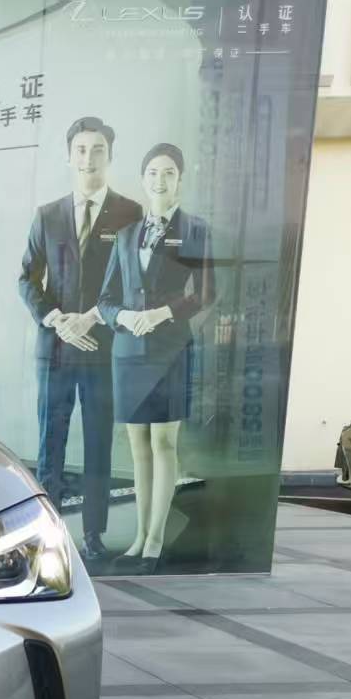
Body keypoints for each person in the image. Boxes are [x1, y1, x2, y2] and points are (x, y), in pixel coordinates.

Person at [18, 116, 143, 562]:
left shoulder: (130, 213)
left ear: (110, 155)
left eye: (98, 149)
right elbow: (26, 278)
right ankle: (45, 535)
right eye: (81, 149)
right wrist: (57, 320)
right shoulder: (48, 215)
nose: (89, 158)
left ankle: (93, 535)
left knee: (98, 443)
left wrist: (91, 319)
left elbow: (134, 281)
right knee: (49, 443)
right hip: (54, 349)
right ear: (69, 156)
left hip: (103, 348)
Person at [96, 142, 215, 573]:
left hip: (170, 349)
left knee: (164, 444)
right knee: (137, 447)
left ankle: (156, 540)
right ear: (142, 179)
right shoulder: (126, 235)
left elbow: (206, 293)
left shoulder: (196, 229)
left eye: (168, 173)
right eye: (152, 173)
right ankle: (138, 537)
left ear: (179, 179)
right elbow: (106, 300)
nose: (159, 180)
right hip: (128, 351)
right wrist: (125, 316)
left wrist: (161, 313)